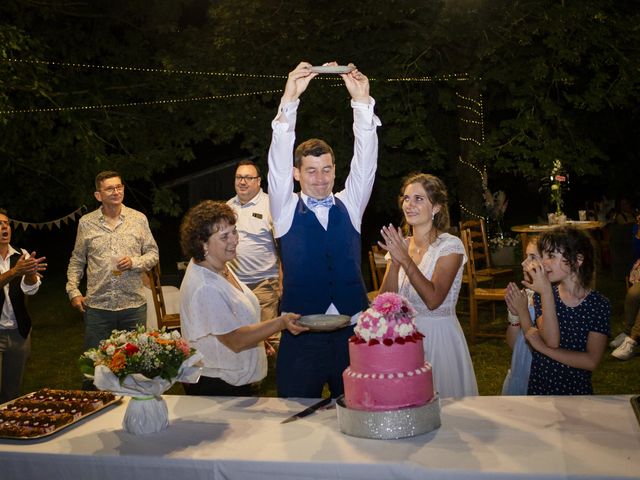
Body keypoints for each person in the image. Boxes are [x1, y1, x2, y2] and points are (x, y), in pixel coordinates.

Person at [267, 61, 381, 398]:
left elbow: (366, 159)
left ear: (335, 171)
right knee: (295, 421)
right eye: (312, 171)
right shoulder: (285, 210)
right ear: (297, 174)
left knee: (359, 414)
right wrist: (290, 99)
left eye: (327, 169)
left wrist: (361, 102)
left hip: (352, 333)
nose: (321, 178)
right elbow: (277, 157)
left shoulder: (351, 204)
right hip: (301, 337)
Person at [178, 200, 307, 396]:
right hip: (218, 386)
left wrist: (259, 338)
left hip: (233, 380)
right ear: (202, 243)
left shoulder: (219, 265)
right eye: (224, 236)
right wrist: (281, 322)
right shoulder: (205, 285)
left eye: (234, 231)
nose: (234, 240)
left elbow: (232, 316)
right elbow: (235, 339)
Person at [378, 173, 478, 398]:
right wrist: (394, 263)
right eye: (406, 198)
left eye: (419, 199)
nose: (409, 205)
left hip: (438, 339)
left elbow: (433, 299)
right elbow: (384, 304)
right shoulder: (401, 245)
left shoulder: (450, 246)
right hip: (403, 340)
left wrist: (404, 259)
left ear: (436, 208)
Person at [66, 171, 159, 383]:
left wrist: (134, 262)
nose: (116, 191)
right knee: (94, 369)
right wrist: (73, 291)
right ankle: (94, 410)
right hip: (98, 307)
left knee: (135, 366)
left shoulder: (138, 219)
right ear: (98, 195)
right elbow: (77, 260)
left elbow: (153, 254)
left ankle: (132, 411)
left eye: (119, 187)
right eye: (110, 188)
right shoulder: (86, 223)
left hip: (133, 305)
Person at [523, 226, 610, 395]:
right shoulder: (543, 295)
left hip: (576, 391)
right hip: (541, 386)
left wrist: (542, 349)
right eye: (544, 255)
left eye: (551, 256)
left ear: (577, 260)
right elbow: (552, 340)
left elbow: (591, 361)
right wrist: (547, 291)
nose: (544, 262)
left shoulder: (599, 305)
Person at [0, 208, 47, 402]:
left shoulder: (21, 255)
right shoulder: (18, 263)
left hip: (19, 332)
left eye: (6, 223)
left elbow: (31, 290)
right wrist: (14, 272)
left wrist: (29, 275)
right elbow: (12, 275)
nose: (4, 227)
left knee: (12, 393)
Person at [227, 160, 280, 323]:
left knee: (268, 339)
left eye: (248, 177)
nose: (242, 182)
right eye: (239, 177)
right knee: (241, 338)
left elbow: (283, 248)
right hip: (233, 285)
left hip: (264, 285)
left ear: (258, 181)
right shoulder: (227, 207)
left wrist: (283, 281)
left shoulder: (271, 205)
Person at [502, 237, 540, 395]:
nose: (524, 262)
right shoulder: (525, 295)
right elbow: (513, 344)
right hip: (520, 370)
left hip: (538, 375)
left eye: (532, 257)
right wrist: (514, 318)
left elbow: (538, 347)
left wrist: (524, 311)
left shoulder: (549, 300)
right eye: (526, 256)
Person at [610, 210, 640, 360]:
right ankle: (628, 331)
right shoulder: (636, 229)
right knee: (633, 294)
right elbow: (634, 254)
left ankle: (633, 340)